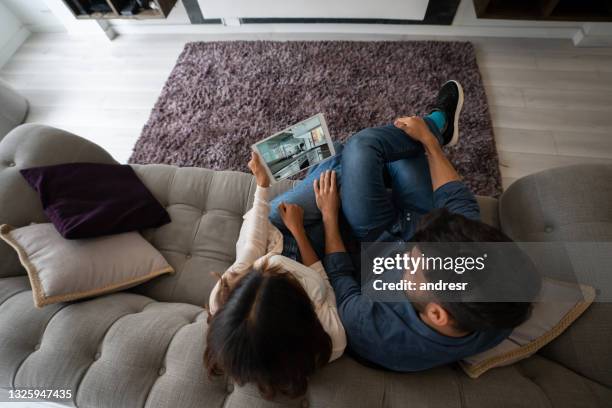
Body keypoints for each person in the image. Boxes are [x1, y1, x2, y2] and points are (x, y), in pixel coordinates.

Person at [268, 81, 540, 371]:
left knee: (353, 152)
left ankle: (346, 158)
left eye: (411, 263)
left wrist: (329, 216)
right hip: (417, 216)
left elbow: (340, 279)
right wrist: (431, 144)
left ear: (436, 314)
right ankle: (437, 128)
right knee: (403, 148)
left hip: (374, 243)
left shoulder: (375, 330)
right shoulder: (499, 293)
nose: (408, 253)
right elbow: (456, 199)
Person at [205, 153, 346, 398]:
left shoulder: (222, 297)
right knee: (342, 169)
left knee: (334, 164)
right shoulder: (332, 338)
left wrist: (262, 185)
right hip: (309, 256)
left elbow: (253, 248)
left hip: (274, 235)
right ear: (301, 308)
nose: (264, 266)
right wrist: (311, 224)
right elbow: (324, 279)